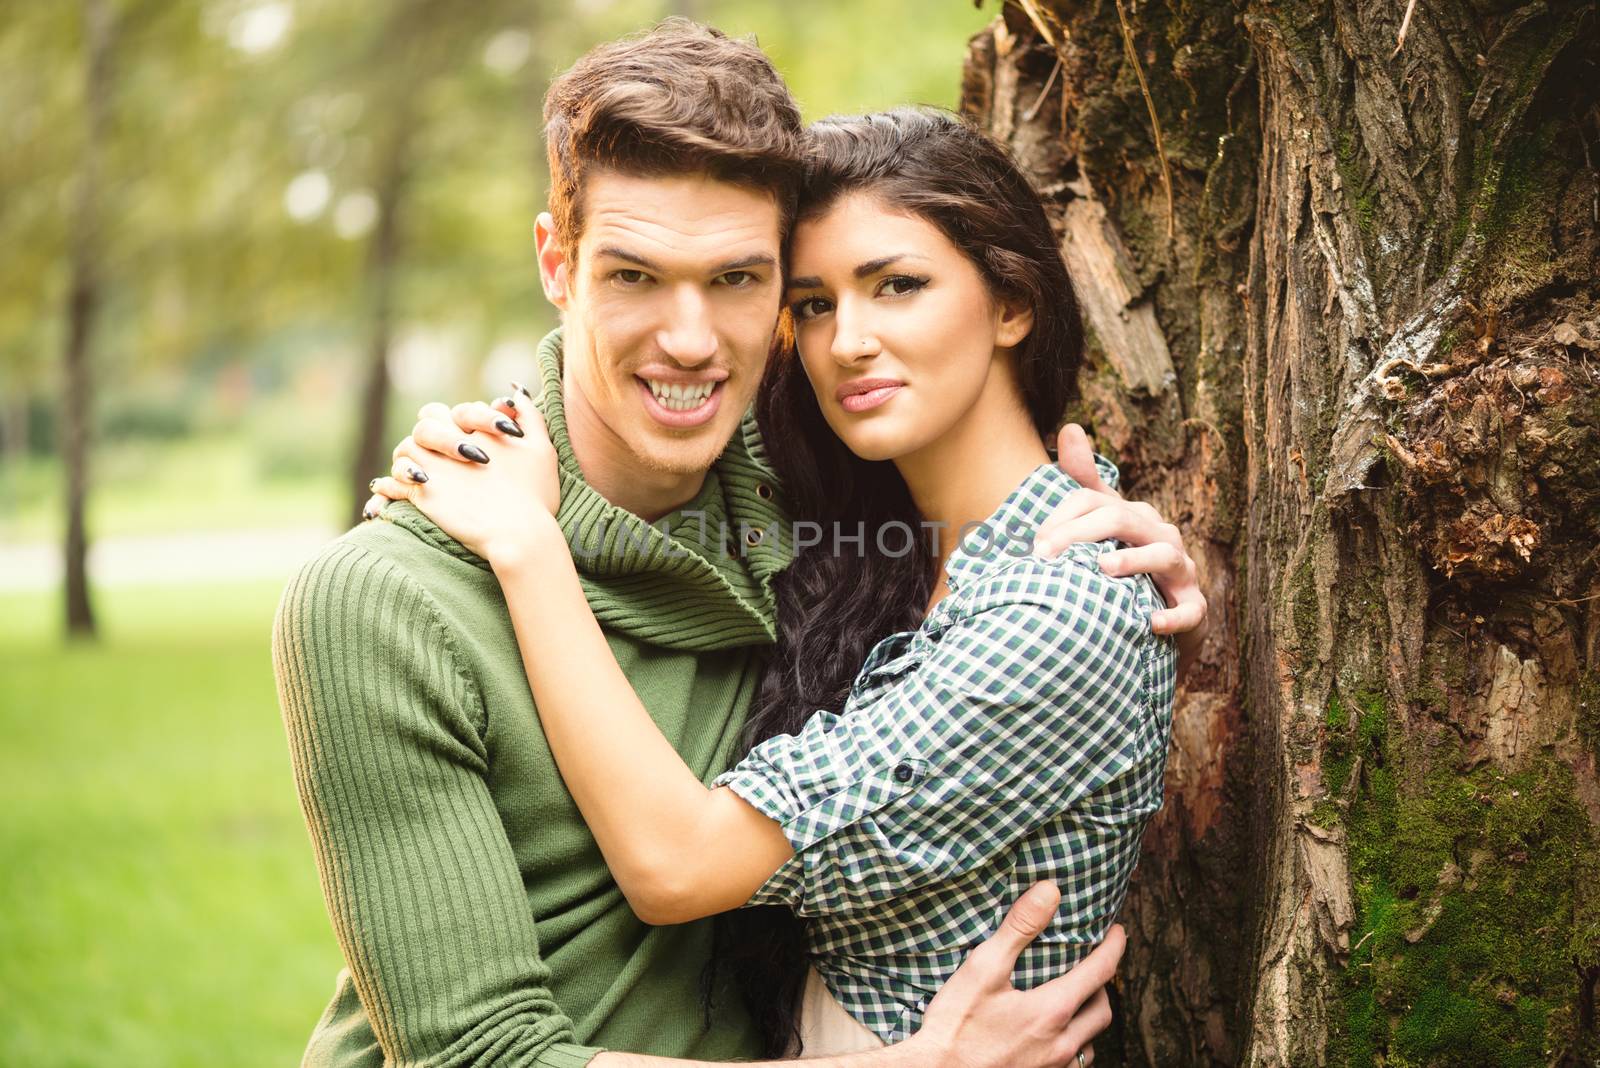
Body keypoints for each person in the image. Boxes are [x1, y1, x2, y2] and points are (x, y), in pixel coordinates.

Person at [275, 19, 1204, 1068]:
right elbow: (473, 1059)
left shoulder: (811, 509)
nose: (688, 339)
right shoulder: (383, 600)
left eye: (739, 280)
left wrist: (1129, 542)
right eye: (632, 276)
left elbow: (984, 504)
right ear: (556, 263)